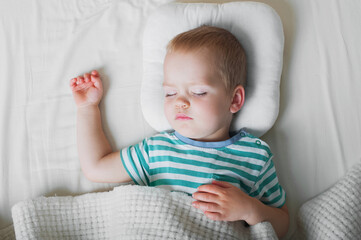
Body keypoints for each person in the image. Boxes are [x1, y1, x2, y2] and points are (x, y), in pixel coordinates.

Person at [69, 26, 289, 237]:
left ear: (234, 99)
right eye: (170, 93)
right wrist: (87, 108)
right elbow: (96, 166)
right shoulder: (155, 151)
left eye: (198, 92)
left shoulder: (255, 157)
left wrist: (249, 209)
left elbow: (283, 223)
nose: (180, 102)